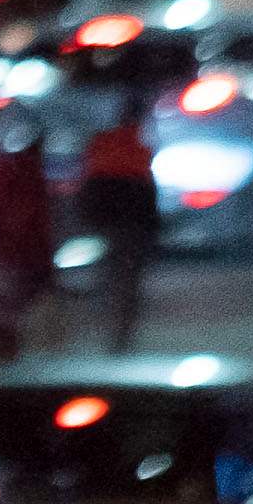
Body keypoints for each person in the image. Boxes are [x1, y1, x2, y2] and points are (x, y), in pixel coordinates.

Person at [83, 99, 163, 348]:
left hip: (112, 201)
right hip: (128, 202)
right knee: (125, 273)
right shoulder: (136, 142)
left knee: (114, 269)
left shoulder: (103, 141)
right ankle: (117, 334)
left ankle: (113, 332)